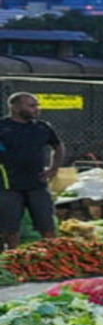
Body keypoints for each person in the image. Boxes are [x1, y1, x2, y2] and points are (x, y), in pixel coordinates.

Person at [0, 92, 64, 250]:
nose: (37, 109)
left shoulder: (42, 127)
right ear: (15, 107)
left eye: (37, 105)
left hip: (38, 184)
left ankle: (51, 256)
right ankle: (13, 256)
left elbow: (58, 146)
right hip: (9, 186)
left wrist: (53, 168)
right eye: (32, 105)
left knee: (47, 225)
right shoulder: (2, 127)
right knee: (10, 227)